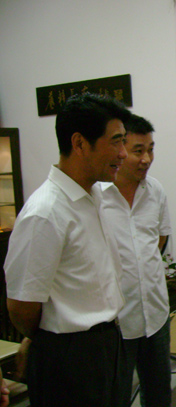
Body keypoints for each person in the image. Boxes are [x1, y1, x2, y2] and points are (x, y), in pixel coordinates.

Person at [4, 93, 130, 407]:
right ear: (79, 143)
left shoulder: (95, 196)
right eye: (116, 141)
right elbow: (21, 306)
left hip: (108, 343)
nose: (124, 153)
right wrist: (52, 337)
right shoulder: (45, 213)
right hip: (69, 356)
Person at [101, 114, 172, 407]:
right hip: (117, 320)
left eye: (151, 150)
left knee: (159, 393)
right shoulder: (96, 196)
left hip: (156, 313)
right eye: (138, 151)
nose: (146, 159)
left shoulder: (155, 191)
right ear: (119, 149)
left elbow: (160, 239)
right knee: (116, 395)